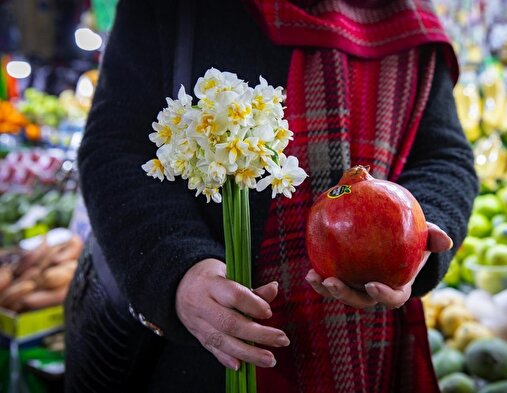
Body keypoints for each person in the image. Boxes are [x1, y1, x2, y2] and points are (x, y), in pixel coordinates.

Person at [64, 0, 478, 392]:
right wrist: (176, 270)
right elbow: (114, 148)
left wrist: (414, 241)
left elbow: (445, 156)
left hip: (365, 343)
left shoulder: (406, 19)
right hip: (200, 347)